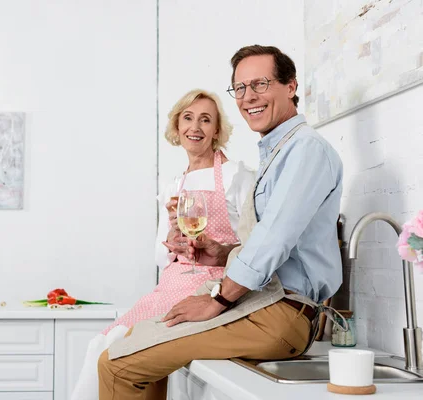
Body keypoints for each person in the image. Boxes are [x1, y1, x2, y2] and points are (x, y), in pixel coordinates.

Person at [97, 44, 343, 399]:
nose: (248, 97)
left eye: (260, 84)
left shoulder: (305, 149)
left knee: (118, 363)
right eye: (240, 88)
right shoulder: (278, 152)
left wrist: (219, 299)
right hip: (264, 303)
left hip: (279, 312)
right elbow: (270, 239)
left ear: (291, 86)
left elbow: (274, 239)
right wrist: (221, 254)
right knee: (135, 340)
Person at [70, 89, 256, 400]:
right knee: (101, 345)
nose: (195, 127)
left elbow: (255, 245)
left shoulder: (238, 175)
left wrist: (218, 249)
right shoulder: (174, 186)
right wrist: (172, 243)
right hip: (172, 284)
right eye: (188, 118)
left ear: (217, 131)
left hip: (212, 288)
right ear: (177, 127)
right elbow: (161, 256)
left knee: (121, 348)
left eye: (205, 120)